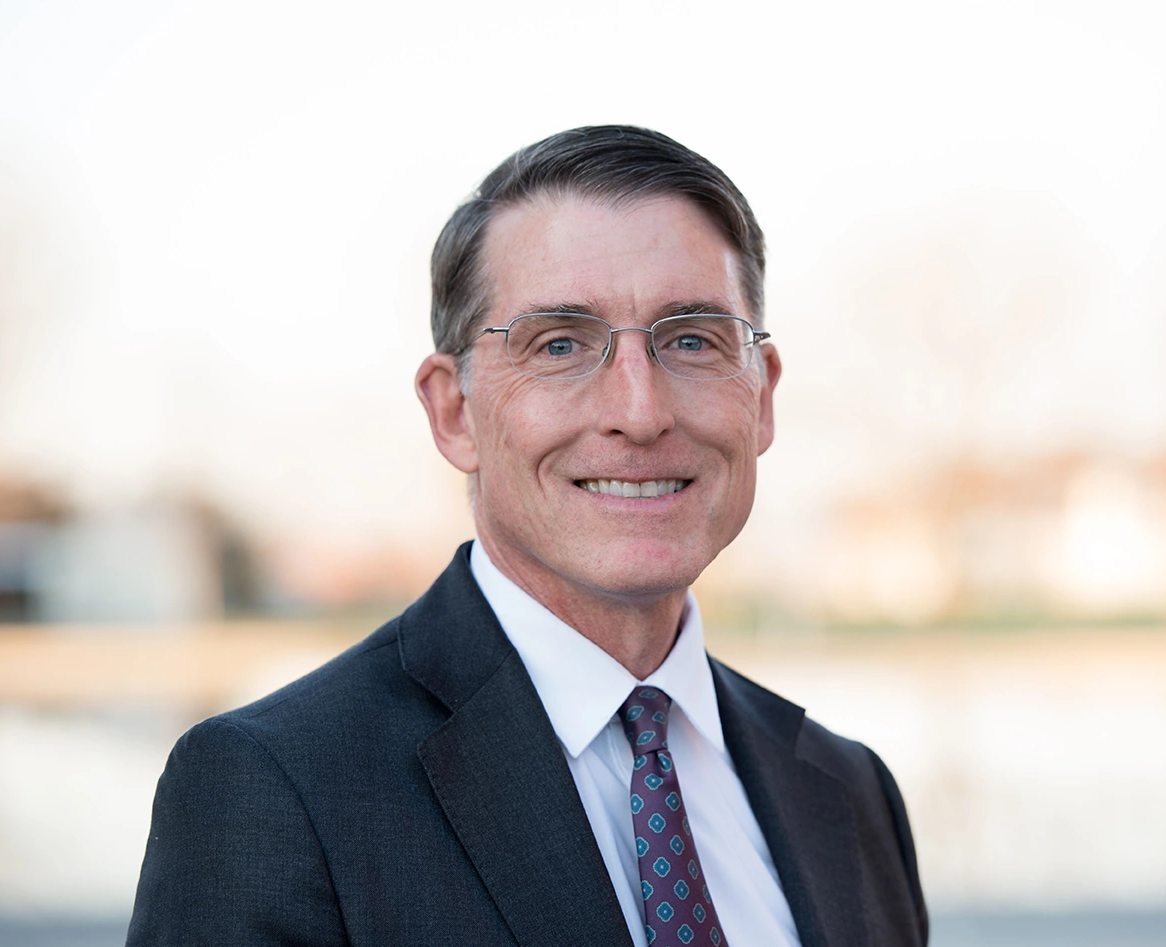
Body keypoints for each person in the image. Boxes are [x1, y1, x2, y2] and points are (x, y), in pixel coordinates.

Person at [127, 125, 927, 947]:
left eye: (691, 339)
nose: (640, 411)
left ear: (759, 396)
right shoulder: (276, 792)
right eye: (560, 344)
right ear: (453, 411)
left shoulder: (849, 791)